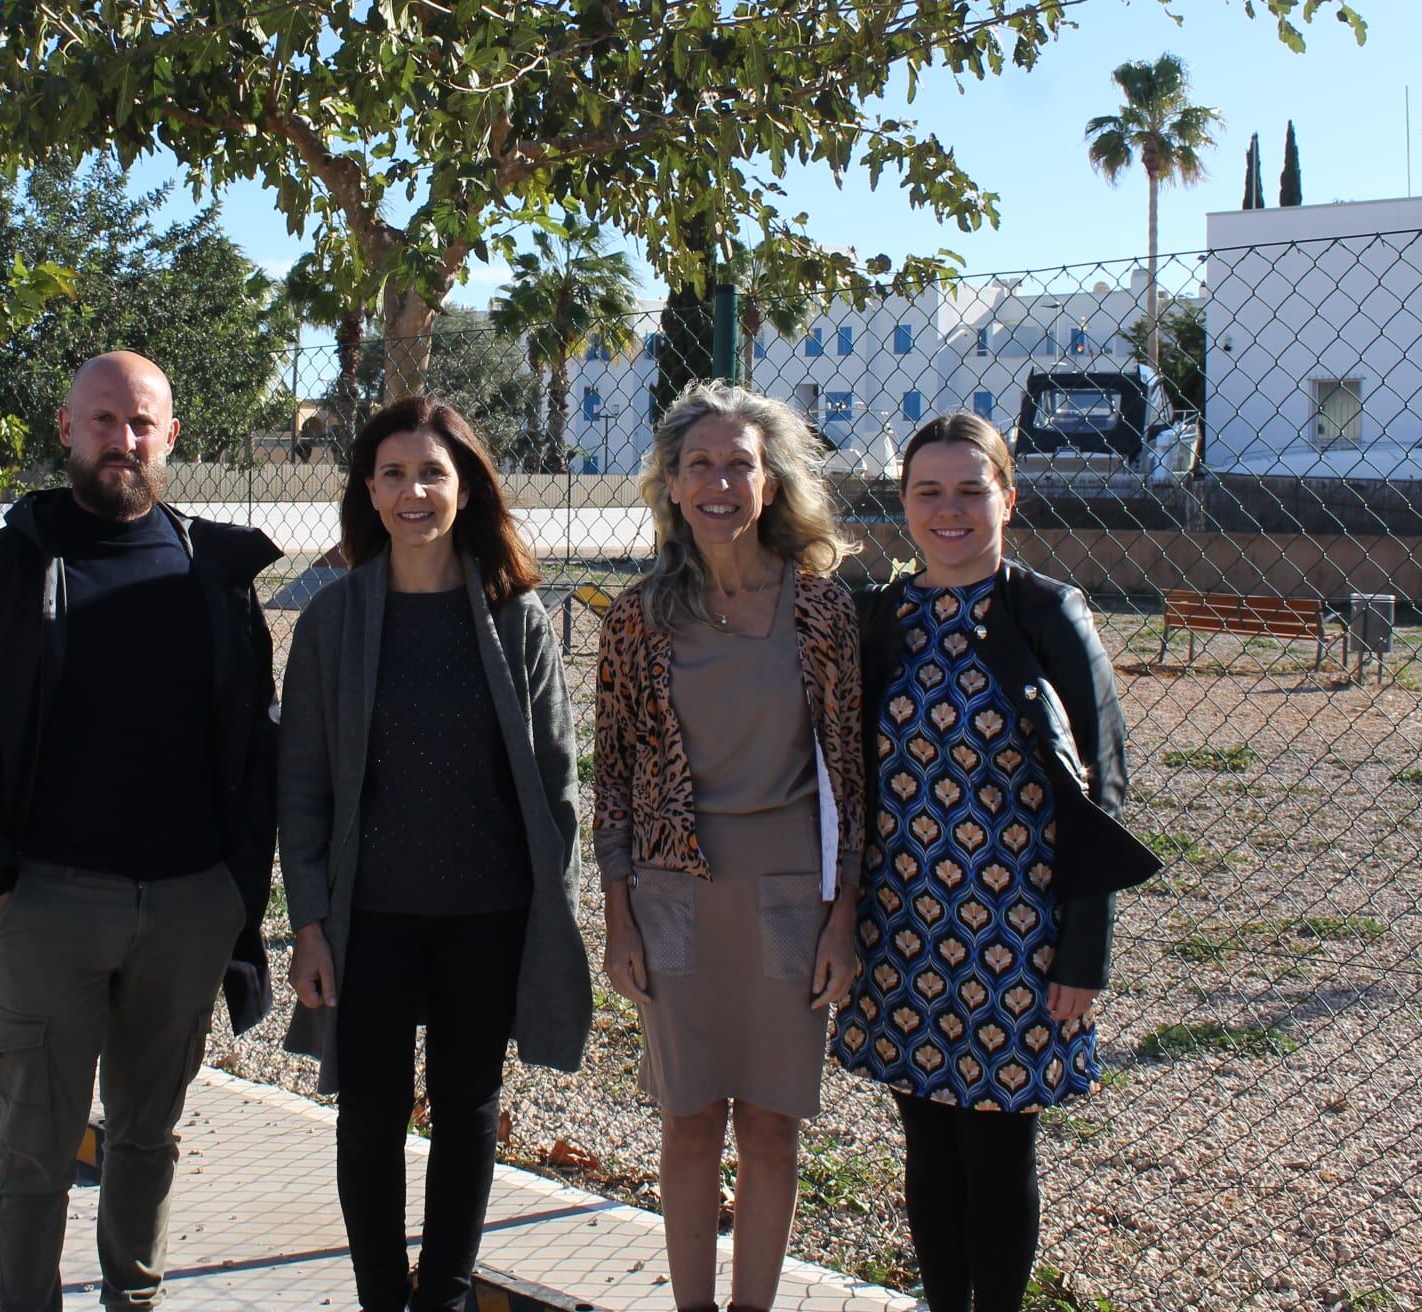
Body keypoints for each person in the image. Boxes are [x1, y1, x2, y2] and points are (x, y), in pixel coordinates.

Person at [0, 350, 284, 1312]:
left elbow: (257, 738)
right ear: (67, 429)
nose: (121, 441)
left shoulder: (218, 573)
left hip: (186, 905)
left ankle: (136, 1295)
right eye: (102, 421)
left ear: (172, 436)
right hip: (46, 905)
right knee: (34, 1151)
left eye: (140, 423)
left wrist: (235, 890)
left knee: (147, 1137)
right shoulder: (6, 568)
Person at [280, 395, 591, 1312]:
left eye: (432, 473)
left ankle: (444, 1298)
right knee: (370, 1122)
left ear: (466, 490)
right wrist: (307, 923)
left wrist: (553, 911)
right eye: (393, 474)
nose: (413, 491)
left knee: (468, 1115)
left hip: (486, 916)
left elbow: (557, 780)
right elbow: (300, 790)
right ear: (367, 492)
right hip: (368, 917)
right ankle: (384, 1297)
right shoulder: (332, 626)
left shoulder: (515, 618)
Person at [830, 410, 1143, 1312]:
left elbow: (1103, 797)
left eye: (972, 489)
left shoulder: (1045, 613)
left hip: (1019, 940)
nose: (950, 509)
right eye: (929, 491)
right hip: (905, 930)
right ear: (905, 503)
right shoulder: (882, 619)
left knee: (999, 1150)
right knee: (926, 1146)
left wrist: (1085, 953)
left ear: (1008, 497)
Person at [592, 381, 866, 1312]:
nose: (718, 482)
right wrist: (618, 917)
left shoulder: (824, 612)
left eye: (738, 464)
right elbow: (616, 781)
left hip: (793, 896)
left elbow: (851, 782)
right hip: (675, 896)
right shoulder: (637, 617)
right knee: (689, 1124)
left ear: (771, 481)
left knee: (773, 1130)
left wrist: (845, 920)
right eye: (697, 465)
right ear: (670, 485)